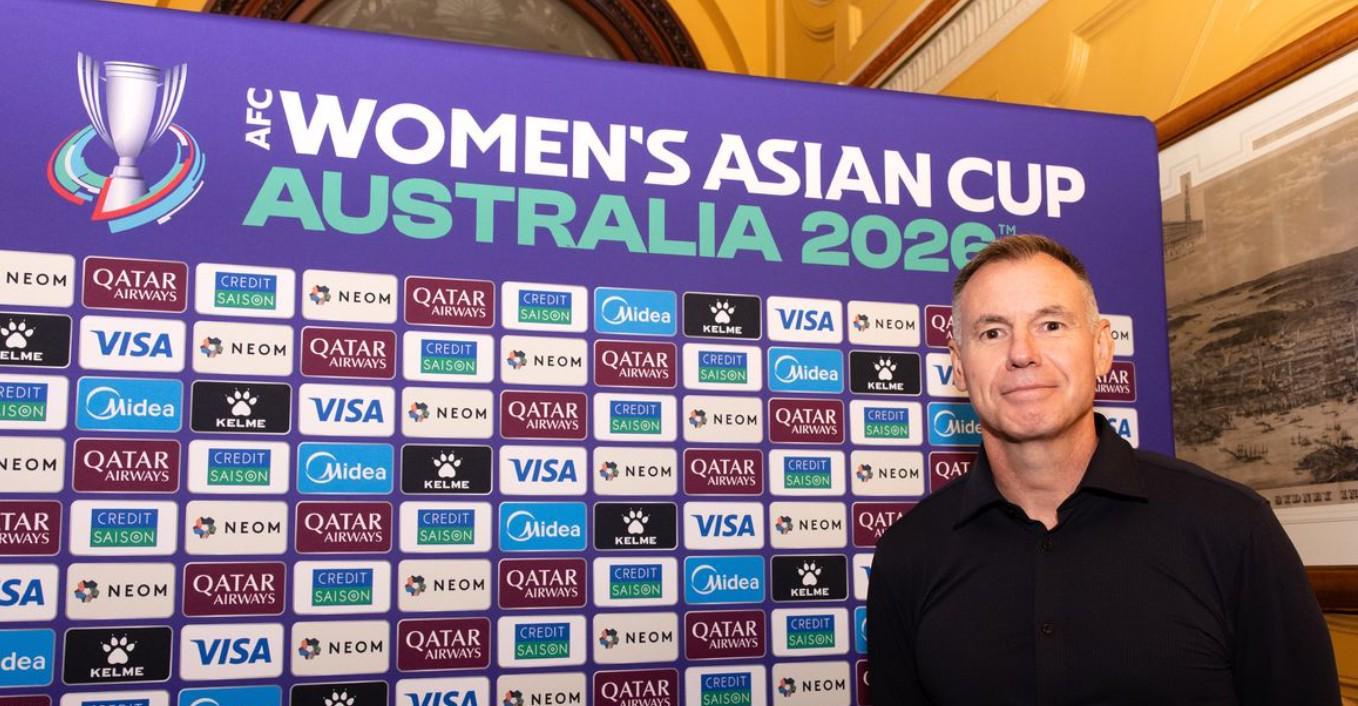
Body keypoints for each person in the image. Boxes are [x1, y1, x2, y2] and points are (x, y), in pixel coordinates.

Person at [867, 235, 1340, 705]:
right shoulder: (909, 555)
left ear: (1101, 348)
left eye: (1051, 325)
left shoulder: (1233, 529)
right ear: (958, 365)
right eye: (992, 332)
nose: (1022, 352)